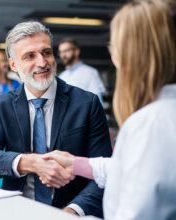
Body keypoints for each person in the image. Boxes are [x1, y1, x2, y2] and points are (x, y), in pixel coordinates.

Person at [46, 0, 176, 219]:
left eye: (114, 46)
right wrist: (78, 164)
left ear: (131, 54)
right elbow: (137, 170)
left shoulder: (150, 124)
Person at [0, 21, 112, 218]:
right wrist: (30, 162)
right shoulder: (1, 105)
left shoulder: (87, 104)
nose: (42, 62)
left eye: (46, 52)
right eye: (30, 56)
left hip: (70, 209)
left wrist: (73, 211)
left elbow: (103, 171)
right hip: (17, 210)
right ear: (13, 64)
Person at [58, 38, 106, 103]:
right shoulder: (62, 76)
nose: (63, 55)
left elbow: (97, 101)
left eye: (66, 50)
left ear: (77, 51)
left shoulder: (90, 73)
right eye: (61, 52)